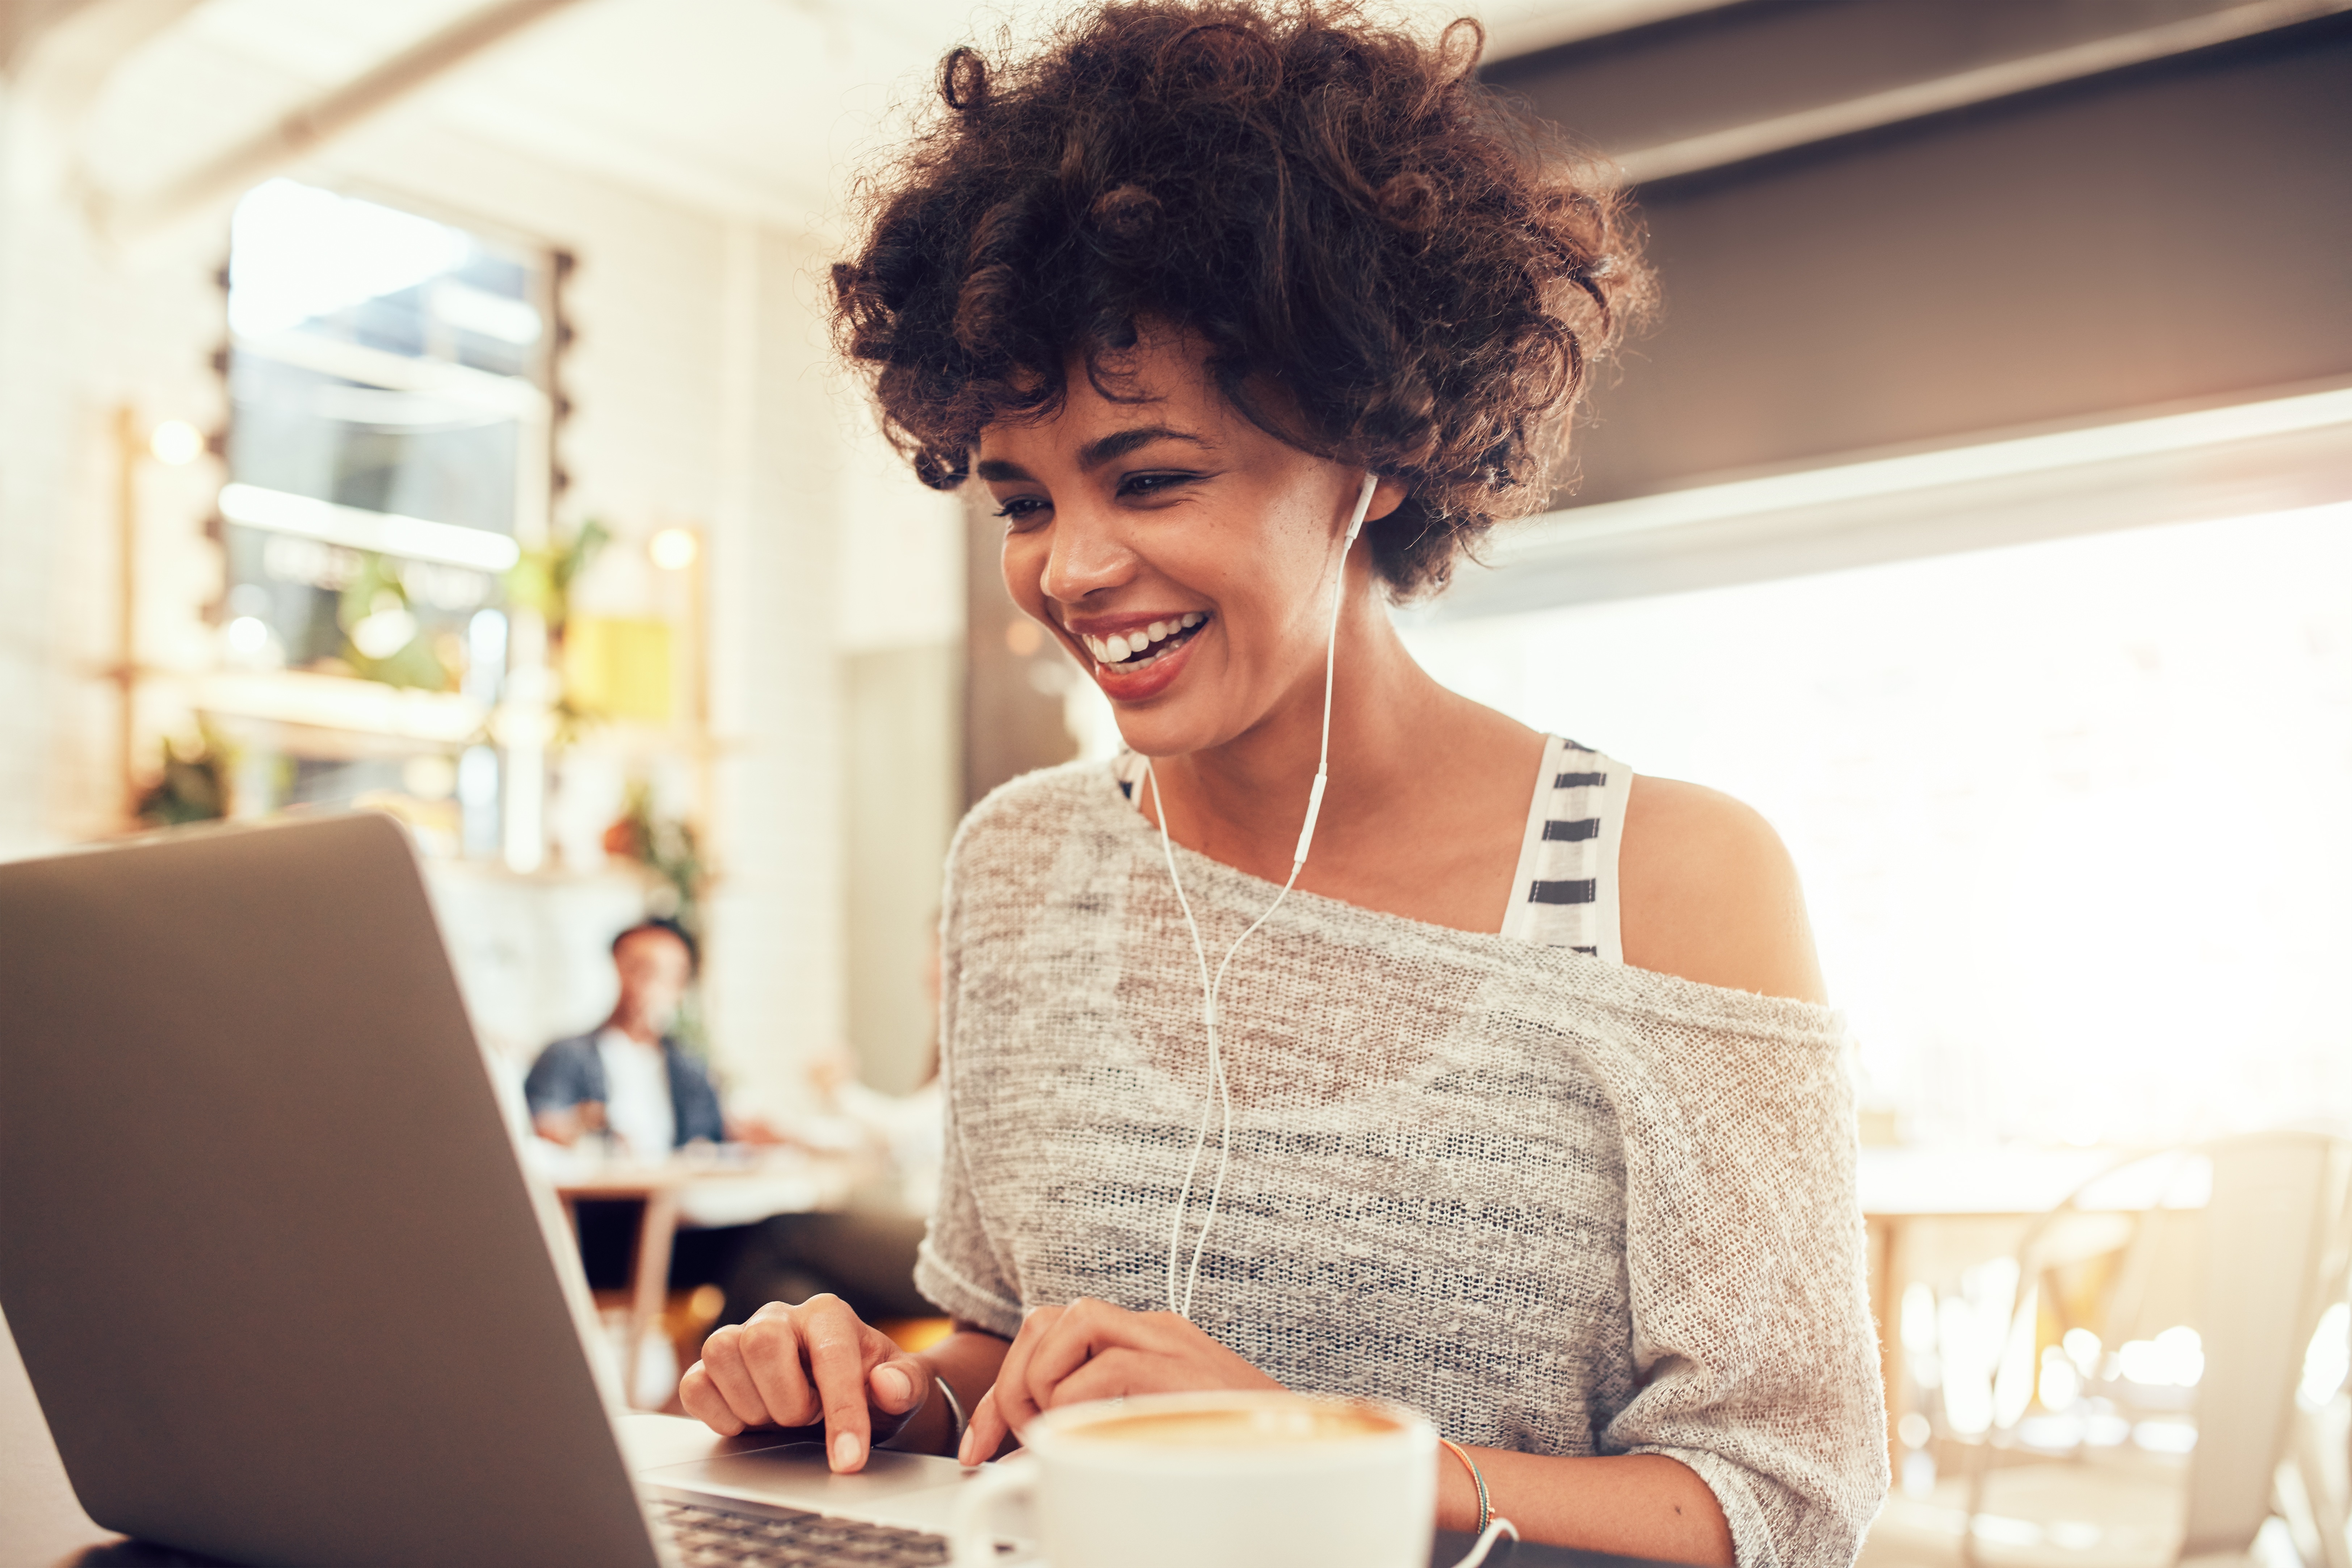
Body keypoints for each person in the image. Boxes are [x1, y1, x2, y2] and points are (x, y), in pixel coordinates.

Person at [681, 7, 1886, 1565]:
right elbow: (1004, 1369)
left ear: (1374, 446)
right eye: (1021, 500)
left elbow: (1784, 1504)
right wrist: (868, 1393)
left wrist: (1318, 1458)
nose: (1070, 568)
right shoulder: (1020, 866)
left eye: (1151, 475)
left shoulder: (1666, 879)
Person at [524, 917, 725, 1157]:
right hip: (602, 1192)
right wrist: (579, 1124)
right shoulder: (567, 1054)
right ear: (618, 969)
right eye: (642, 969)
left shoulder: (689, 1065)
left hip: (674, 1190)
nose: (652, 984)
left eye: (671, 975)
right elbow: (536, 1126)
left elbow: (715, 1137)